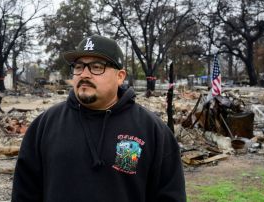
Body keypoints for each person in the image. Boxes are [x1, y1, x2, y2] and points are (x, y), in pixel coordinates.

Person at [12, 35, 186, 202]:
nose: (84, 74)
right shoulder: (45, 126)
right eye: (79, 66)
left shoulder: (151, 130)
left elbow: (169, 196)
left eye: (96, 67)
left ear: (120, 76)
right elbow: (25, 194)